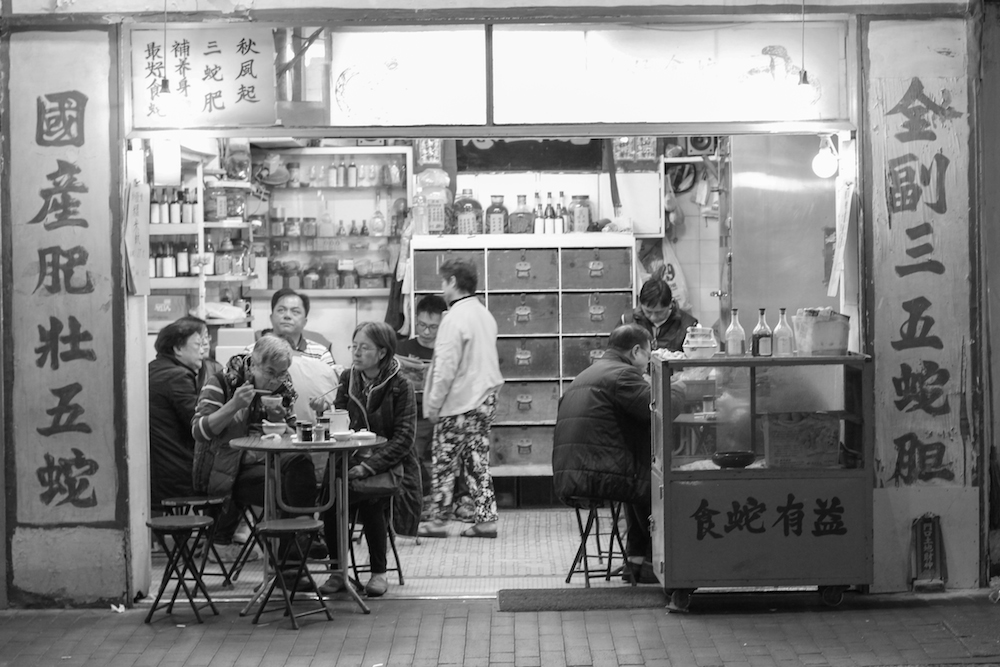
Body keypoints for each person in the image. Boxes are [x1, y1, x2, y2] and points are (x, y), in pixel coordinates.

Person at [191, 334, 319, 579]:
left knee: (300, 460)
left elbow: (291, 436)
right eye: (271, 373)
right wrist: (234, 405)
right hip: (225, 470)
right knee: (280, 486)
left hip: (266, 461)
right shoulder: (223, 382)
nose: (276, 381)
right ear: (253, 363)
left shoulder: (283, 386)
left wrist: (279, 419)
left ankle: (300, 536)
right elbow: (199, 431)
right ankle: (291, 568)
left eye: (282, 374)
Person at [317, 321, 420, 598]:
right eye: (355, 346)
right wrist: (325, 415)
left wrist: (368, 466)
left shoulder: (401, 386)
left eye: (365, 348)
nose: (357, 353)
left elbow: (404, 439)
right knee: (330, 493)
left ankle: (378, 572)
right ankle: (337, 571)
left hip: (387, 463)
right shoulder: (348, 379)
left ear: (383, 353)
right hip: (350, 457)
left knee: (372, 497)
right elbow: (338, 421)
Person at [552, 324, 659, 583]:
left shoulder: (592, 371)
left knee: (641, 475)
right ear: (636, 351)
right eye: (648, 354)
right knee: (656, 481)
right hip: (595, 474)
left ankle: (636, 560)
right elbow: (657, 406)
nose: (649, 361)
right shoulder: (623, 375)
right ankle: (649, 561)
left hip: (574, 473)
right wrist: (680, 385)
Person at [418, 259, 504, 539]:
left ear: (453, 282)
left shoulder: (454, 318)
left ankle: (438, 520)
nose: (442, 288)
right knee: (477, 460)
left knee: (444, 459)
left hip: (460, 402)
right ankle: (486, 519)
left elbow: (445, 367)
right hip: (486, 399)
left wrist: (432, 403)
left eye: (444, 282)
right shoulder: (483, 314)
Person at [148, 317, 208, 510]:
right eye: (197, 344)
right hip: (176, 470)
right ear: (178, 349)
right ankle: (219, 537)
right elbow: (198, 426)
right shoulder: (177, 376)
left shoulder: (153, 369)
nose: (202, 350)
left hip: (156, 468)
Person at [395, 294, 447, 500]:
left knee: (458, 446)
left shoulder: (448, 350)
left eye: (433, 327)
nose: (426, 332)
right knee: (409, 448)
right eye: (421, 324)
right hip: (415, 414)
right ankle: (425, 494)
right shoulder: (403, 349)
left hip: (444, 413)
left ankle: (461, 497)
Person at [623, 267, 698, 352]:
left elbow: (695, 359)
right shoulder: (628, 321)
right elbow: (614, 355)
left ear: (671, 303)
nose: (653, 317)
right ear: (640, 303)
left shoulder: (688, 325)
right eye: (648, 312)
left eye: (659, 312)